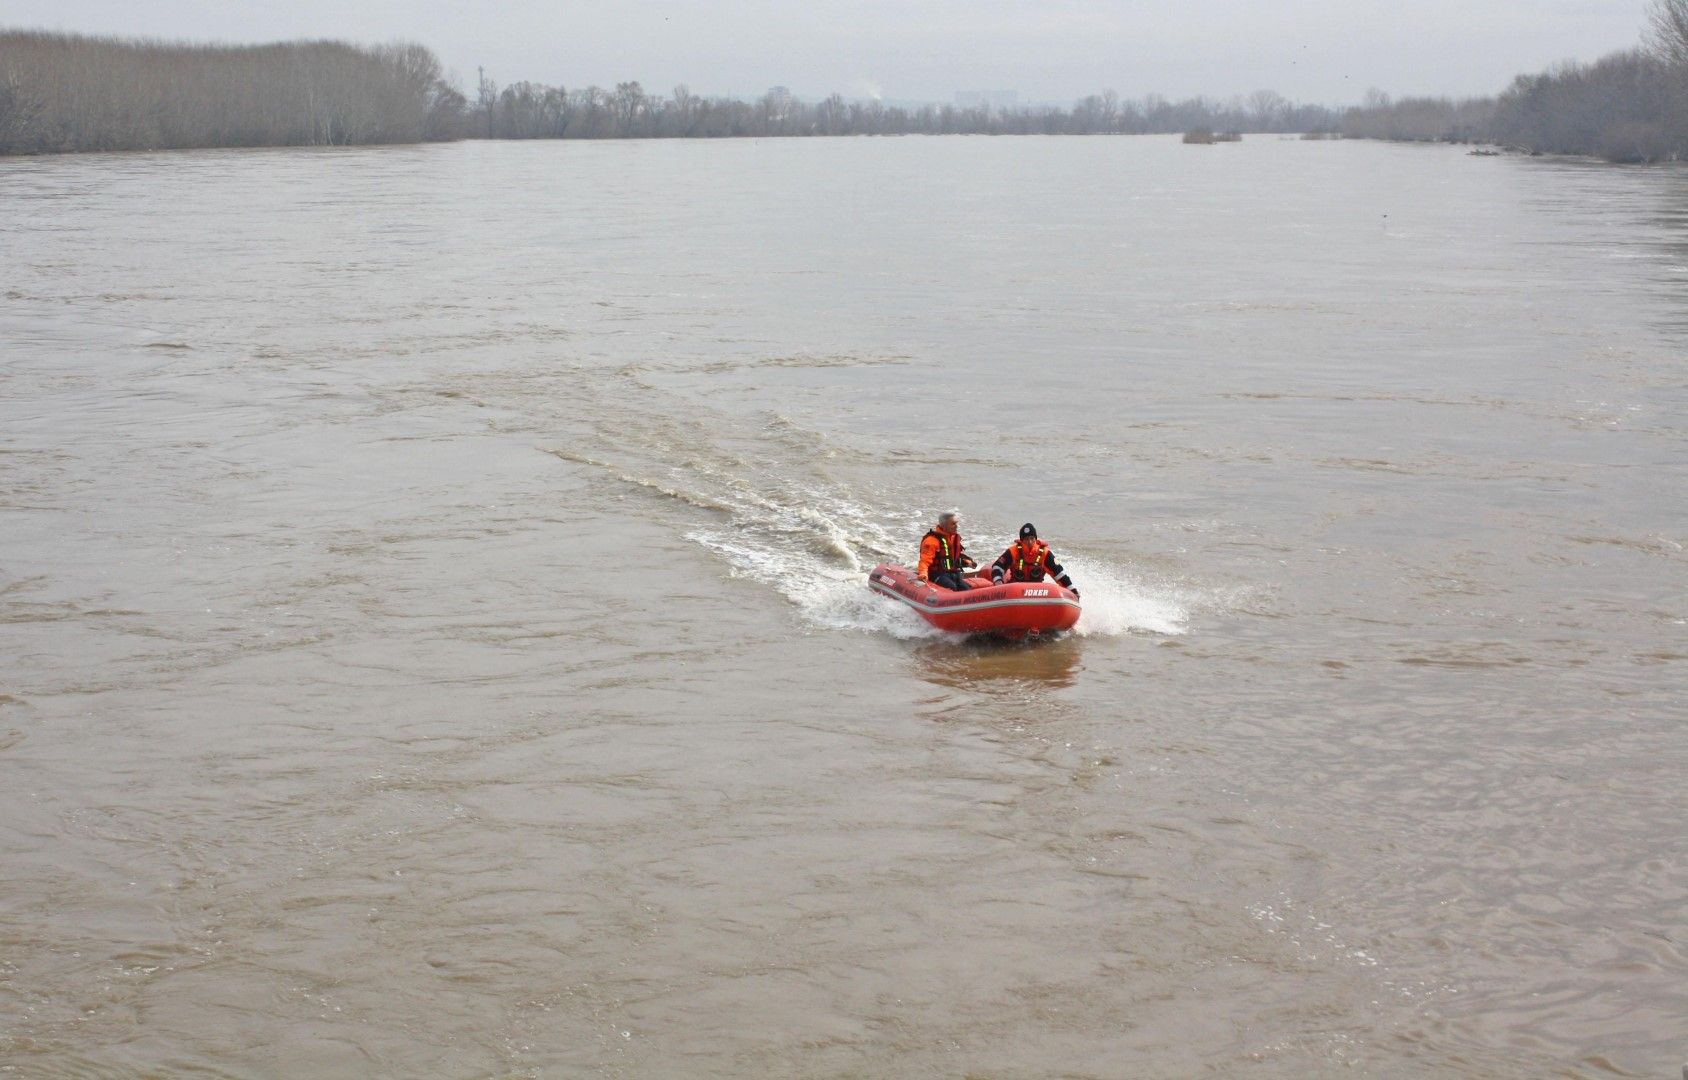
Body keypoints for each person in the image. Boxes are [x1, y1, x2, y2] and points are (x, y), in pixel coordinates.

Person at [991, 523, 1079, 598]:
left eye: (1032, 538)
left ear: (1035, 539)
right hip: (1015, 593)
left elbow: (1059, 574)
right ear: (1021, 540)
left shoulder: (1044, 553)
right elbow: (997, 567)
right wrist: (999, 583)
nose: (1029, 542)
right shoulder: (1013, 551)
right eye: (1026, 539)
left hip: (1037, 594)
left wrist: (1072, 590)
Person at [917, 510, 977, 591]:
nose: (956, 526)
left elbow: (954, 557)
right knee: (952, 587)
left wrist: (967, 562)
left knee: (966, 589)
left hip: (954, 573)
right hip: (937, 574)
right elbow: (924, 561)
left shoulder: (954, 538)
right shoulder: (931, 541)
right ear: (944, 525)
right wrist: (923, 573)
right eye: (953, 524)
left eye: (956, 523)